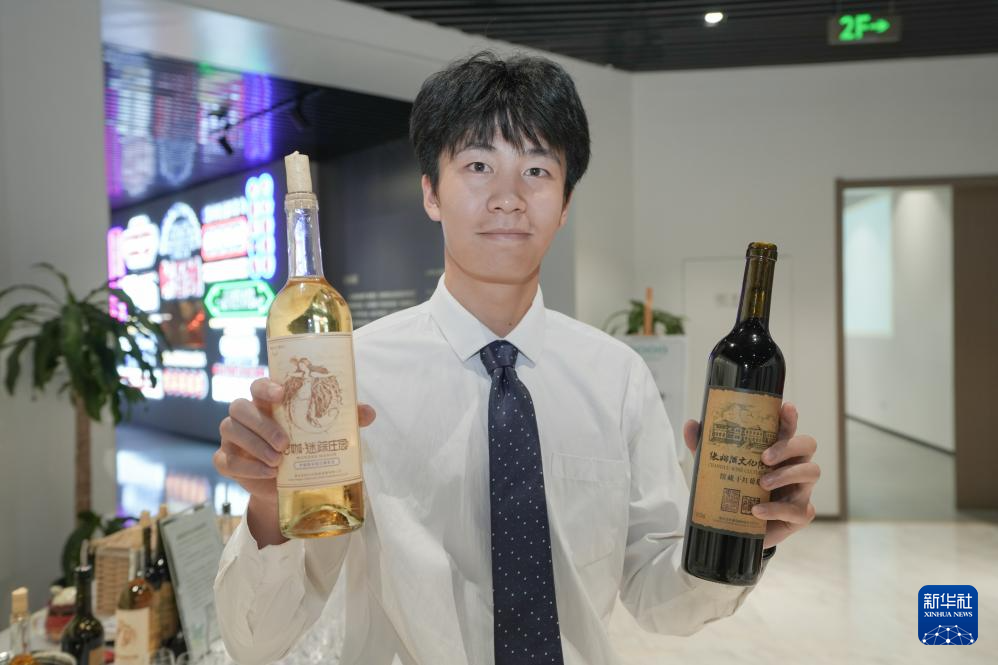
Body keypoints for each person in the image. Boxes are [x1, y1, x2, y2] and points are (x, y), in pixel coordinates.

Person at [213, 51, 821, 665]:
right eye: (478, 166)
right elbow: (257, 640)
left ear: (565, 202)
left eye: (536, 170)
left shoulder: (616, 379)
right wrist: (266, 505)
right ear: (431, 192)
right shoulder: (354, 377)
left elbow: (660, 599)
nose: (508, 198)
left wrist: (748, 533)